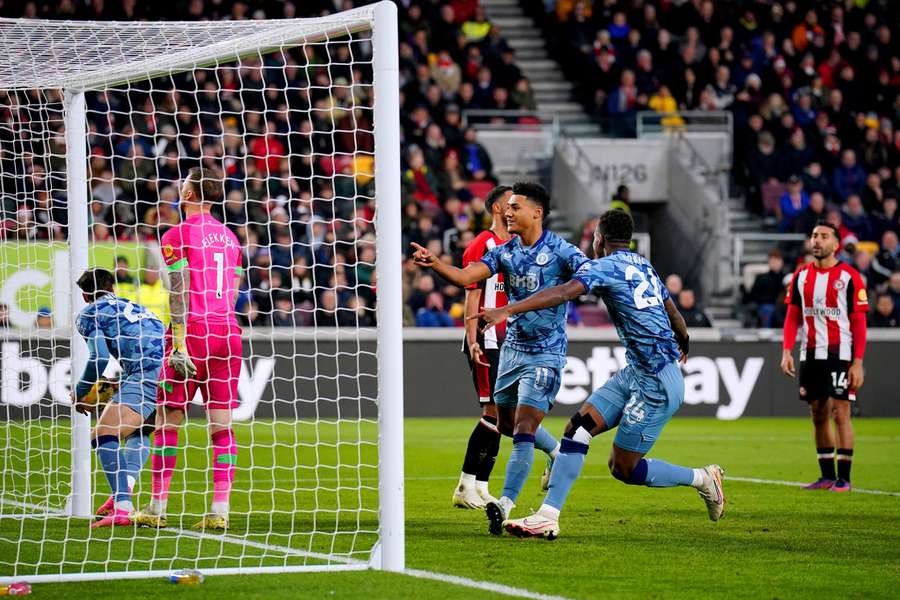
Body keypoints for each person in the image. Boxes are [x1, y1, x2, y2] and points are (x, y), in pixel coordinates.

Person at [472, 210, 724, 539]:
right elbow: (671, 308)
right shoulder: (642, 264)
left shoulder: (601, 266)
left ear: (600, 239)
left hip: (657, 383)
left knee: (624, 468)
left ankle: (702, 478)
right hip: (637, 371)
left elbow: (564, 292)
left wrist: (508, 309)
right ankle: (548, 515)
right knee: (576, 430)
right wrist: (684, 340)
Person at [410, 181, 586, 535]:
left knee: (522, 428)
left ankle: (504, 504)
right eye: (507, 208)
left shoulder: (563, 252)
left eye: (515, 207)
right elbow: (465, 277)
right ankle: (557, 454)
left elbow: (583, 284)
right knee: (504, 425)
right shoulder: (505, 252)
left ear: (536, 212)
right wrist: (434, 264)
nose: (508, 212)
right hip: (511, 352)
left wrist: (509, 309)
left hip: (545, 353)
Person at [133, 167, 243, 531]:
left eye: (183, 187)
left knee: (168, 420)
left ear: (191, 195)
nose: (179, 191)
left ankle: (156, 506)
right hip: (228, 332)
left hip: (192, 331)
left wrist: (178, 338)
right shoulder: (231, 239)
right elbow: (232, 290)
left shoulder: (176, 234)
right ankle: (219, 510)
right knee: (222, 425)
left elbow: (178, 289)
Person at [72, 268, 164, 528]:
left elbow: (99, 358)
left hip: (146, 372)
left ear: (84, 296)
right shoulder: (134, 305)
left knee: (103, 433)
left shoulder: (89, 314)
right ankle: (120, 495)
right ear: (112, 287)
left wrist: (80, 393)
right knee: (139, 433)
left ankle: (123, 508)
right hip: (173, 370)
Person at [781, 222, 868, 493]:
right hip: (809, 352)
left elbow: (858, 321)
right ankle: (826, 476)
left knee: (840, 412)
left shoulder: (850, 277)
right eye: (814, 235)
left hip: (840, 352)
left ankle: (845, 478)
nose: (817, 240)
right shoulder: (800, 276)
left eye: (824, 236)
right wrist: (786, 350)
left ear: (836, 244)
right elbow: (793, 315)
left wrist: (857, 362)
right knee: (817, 413)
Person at [452, 186, 512, 510]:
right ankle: (465, 484)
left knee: (502, 416)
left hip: (508, 340)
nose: (518, 206)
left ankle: (482, 484)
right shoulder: (481, 245)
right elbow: (472, 296)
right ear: (500, 208)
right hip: (486, 340)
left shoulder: (515, 245)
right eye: (513, 202)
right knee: (491, 412)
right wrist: (473, 339)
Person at [749, 250, 787, 327]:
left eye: (777, 260)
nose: (775, 263)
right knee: (768, 309)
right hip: (767, 305)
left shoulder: (786, 278)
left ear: (782, 262)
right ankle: (767, 333)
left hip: (783, 305)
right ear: (769, 262)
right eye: (772, 261)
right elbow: (753, 295)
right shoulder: (761, 278)